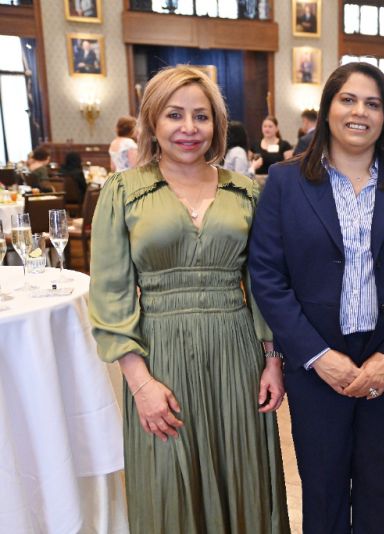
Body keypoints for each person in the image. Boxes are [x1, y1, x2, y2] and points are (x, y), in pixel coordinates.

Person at [88, 65, 290, 534]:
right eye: (174, 115)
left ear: (217, 124)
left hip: (235, 353)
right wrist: (140, 386)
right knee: (168, 485)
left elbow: (263, 284)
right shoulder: (122, 192)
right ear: (152, 122)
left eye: (202, 116)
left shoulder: (245, 192)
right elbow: (111, 296)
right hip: (160, 359)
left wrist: (272, 359)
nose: (189, 128)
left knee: (243, 478)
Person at [248, 61, 384, 534]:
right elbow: (267, 276)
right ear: (328, 109)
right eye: (349, 100)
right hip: (315, 362)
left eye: (373, 104)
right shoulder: (285, 181)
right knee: (322, 487)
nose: (360, 112)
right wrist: (316, 356)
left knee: (381, 487)